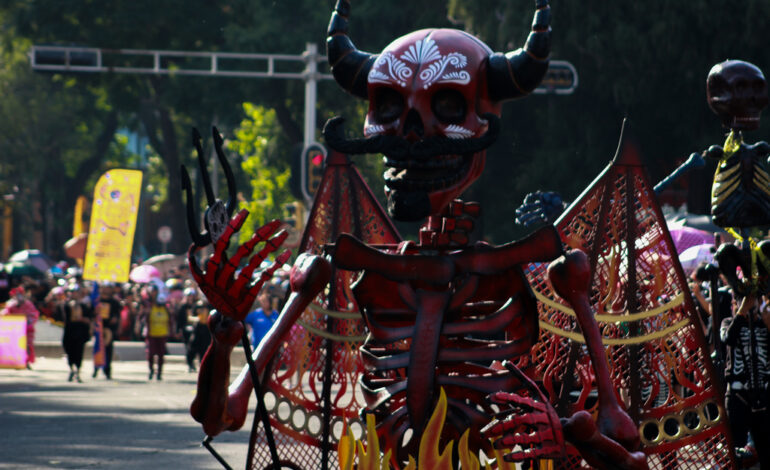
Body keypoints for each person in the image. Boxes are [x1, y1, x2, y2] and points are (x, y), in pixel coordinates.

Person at [720, 293, 770, 468]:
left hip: (763, 395)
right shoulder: (728, 322)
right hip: (738, 395)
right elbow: (727, 338)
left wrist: (767, 322)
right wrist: (741, 313)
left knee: (766, 449)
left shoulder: (764, 323)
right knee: (735, 449)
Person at [58, 284, 93, 382]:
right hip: (69, 331)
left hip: (80, 332)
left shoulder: (84, 305)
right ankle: (71, 368)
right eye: (72, 292)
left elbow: (89, 318)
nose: (74, 294)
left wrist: (83, 319)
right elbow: (62, 318)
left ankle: (77, 370)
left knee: (78, 352)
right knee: (69, 351)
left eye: (76, 292)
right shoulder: (65, 305)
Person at [1, 286, 41, 369]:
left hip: (27, 329)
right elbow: (5, 313)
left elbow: (34, 314)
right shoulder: (11, 304)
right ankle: (17, 362)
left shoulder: (28, 304)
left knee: (28, 345)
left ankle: (27, 361)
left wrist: (27, 321)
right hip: (15, 331)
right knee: (16, 346)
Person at [141, 284, 173, 380]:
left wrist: (171, 331)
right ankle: (151, 370)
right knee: (151, 353)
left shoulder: (166, 308)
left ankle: (159, 373)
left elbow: (170, 320)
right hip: (151, 333)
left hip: (162, 333)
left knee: (161, 354)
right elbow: (143, 318)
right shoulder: (148, 306)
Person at [94, 282, 122, 379]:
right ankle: (96, 368)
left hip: (109, 329)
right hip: (98, 328)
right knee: (97, 348)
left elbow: (118, 316)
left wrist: (116, 323)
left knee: (108, 350)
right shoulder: (97, 300)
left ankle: (107, 371)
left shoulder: (114, 302)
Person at [186, 300, 212, 372]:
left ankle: (202, 366)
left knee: (203, 350)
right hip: (197, 329)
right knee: (192, 349)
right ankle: (190, 364)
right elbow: (189, 317)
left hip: (206, 330)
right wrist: (196, 319)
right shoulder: (196, 306)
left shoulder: (210, 307)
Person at [176, 287, 197, 372]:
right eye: (189, 296)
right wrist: (178, 330)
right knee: (188, 347)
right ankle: (190, 364)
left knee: (194, 347)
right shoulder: (183, 307)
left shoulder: (195, 306)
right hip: (185, 329)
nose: (190, 297)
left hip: (195, 330)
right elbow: (179, 320)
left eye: (192, 296)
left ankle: (192, 363)